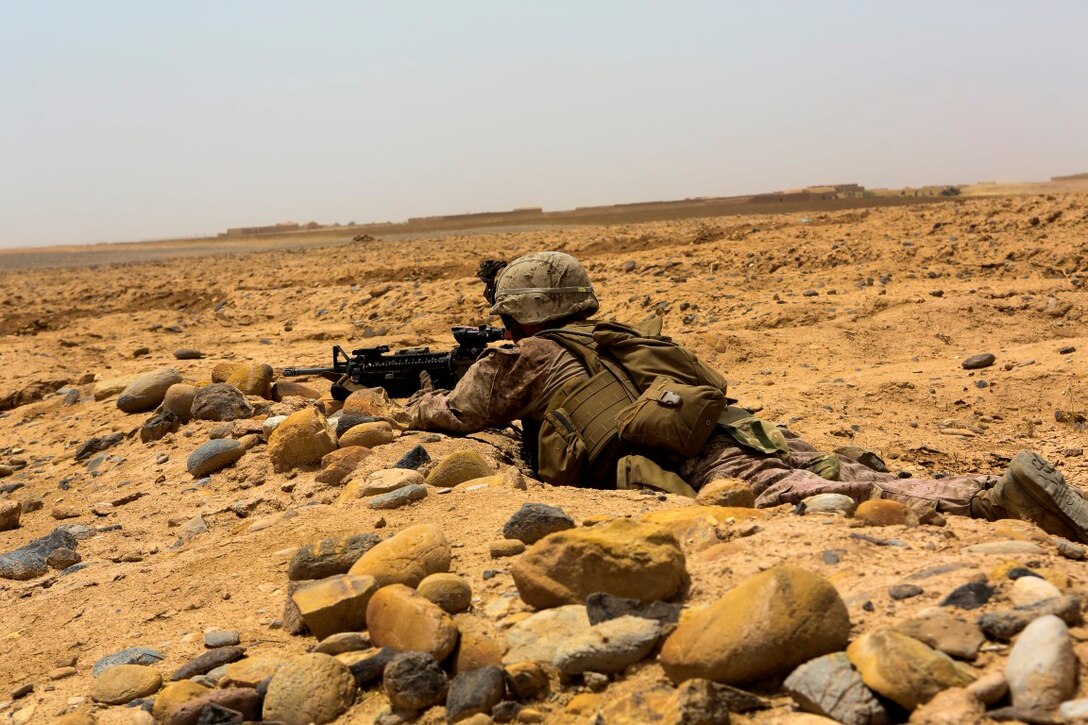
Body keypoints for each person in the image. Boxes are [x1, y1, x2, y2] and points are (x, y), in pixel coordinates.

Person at [404, 251, 1088, 543]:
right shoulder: (611, 334)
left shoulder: (520, 356)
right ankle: (958, 483)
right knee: (829, 472)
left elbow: (457, 413)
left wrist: (413, 397)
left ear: (517, 313)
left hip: (691, 458)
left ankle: (993, 498)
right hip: (733, 423)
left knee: (806, 497)